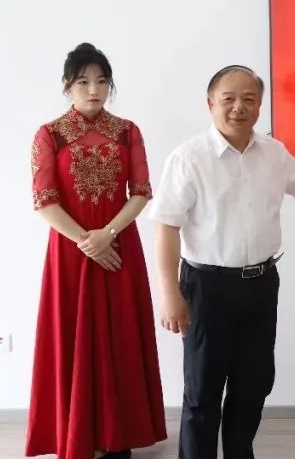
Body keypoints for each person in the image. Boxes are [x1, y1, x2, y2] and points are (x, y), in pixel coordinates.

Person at [149, 64, 295, 459]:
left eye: (249, 99)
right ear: (210, 104)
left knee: (253, 385)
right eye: (229, 99)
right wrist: (170, 295)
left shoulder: (273, 153)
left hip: (260, 286)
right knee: (202, 393)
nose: (238, 107)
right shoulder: (189, 158)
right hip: (206, 288)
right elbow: (167, 228)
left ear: (259, 107)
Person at [26, 43, 167, 459]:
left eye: (102, 81)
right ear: (67, 85)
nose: (94, 90)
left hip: (119, 246)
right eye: (84, 82)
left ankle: (116, 436)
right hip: (71, 252)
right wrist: (87, 241)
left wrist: (107, 233)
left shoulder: (128, 131)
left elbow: (141, 192)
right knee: (73, 336)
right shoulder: (49, 134)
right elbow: (44, 201)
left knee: (120, 334)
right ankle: (80, 436)